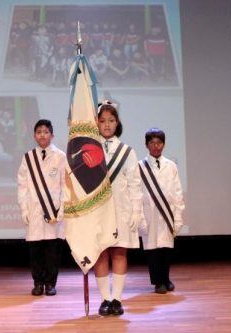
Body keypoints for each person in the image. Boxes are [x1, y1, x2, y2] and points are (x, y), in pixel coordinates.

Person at [93, 100, 144, 316]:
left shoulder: (127, 151)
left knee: (119, 252)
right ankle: (105, 299)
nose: (106, 125)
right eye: (102, 120)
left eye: (111, 121)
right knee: (101, 253)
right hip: (97, 211)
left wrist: (136, 211)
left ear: (117, 123)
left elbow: (134, 184)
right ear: (96, 122)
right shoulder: (88, 149)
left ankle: (117, 300)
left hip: (121, 210)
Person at [17, 119, 66, 296]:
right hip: (35, 211)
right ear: (34, 135)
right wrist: (24, 209)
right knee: (36, 251)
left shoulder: (60, 156)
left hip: (54, 212)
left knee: (53, 251)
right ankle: (38, 283)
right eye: (39, 132)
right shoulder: (28, 157)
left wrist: (62, 209)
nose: (42, 135)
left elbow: (66, 185)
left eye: (46, 132)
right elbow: (22, 185)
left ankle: (51, 283)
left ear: (52, 135)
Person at [138, 128, 185, 294]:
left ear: (163, 144)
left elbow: (177, 192)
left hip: (167, 214)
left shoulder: (171, 166)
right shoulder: (139, 167)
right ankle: (157, 282)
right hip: (149, 213)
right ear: (146, 145)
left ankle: (166, 278)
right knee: (153, 250)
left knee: (166, 249)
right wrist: (140, 218)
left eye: (159, 142)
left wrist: (178, 216)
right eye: (152, 142)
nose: (156, 146)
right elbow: (137, 194)